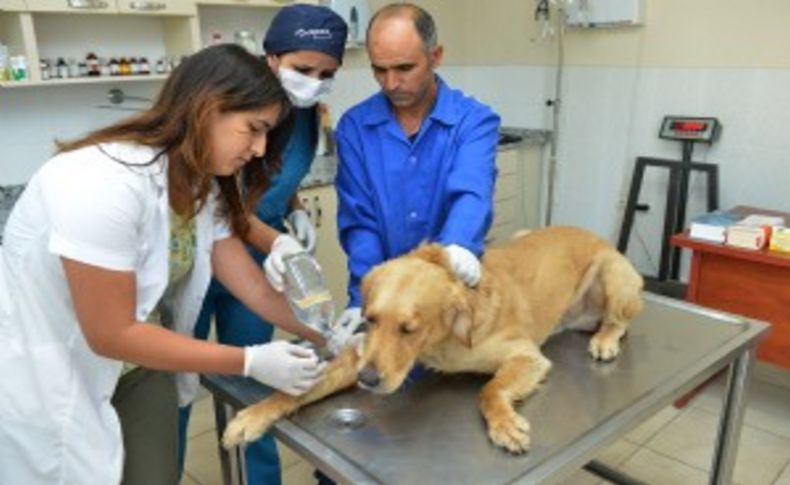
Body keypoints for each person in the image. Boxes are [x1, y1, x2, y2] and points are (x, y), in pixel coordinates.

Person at [0, 44, 327, 485]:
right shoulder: (99, 184)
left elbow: (250, 286)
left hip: (138, 367)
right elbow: (111, 333)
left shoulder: (198, 182)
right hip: (59, 371)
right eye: (254, 129)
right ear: (208, 108)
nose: (259, 147)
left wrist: (322, 328)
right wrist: (250, 361)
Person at [176, 5, 348, 484]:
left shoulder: (309, 116)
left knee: (258, 380)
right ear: (271, 58)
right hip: (201, 255)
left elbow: (277, 176)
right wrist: (276, 241)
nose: (314, 82)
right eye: (302, 69)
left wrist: (291, 209)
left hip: (259, 259)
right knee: (177, 382)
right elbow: (221, 206)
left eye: (326, 73)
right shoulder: (236, 108)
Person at [331, 3, 501, 342]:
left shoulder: (473, 121)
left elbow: (471, 192)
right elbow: (360, 222)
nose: (391, 83)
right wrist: (364, 301)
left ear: (435, 56)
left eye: (404, 68)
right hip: (385, 304)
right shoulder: (355, 127)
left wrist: (458, 247)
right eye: (379, 70)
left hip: (446, 302)